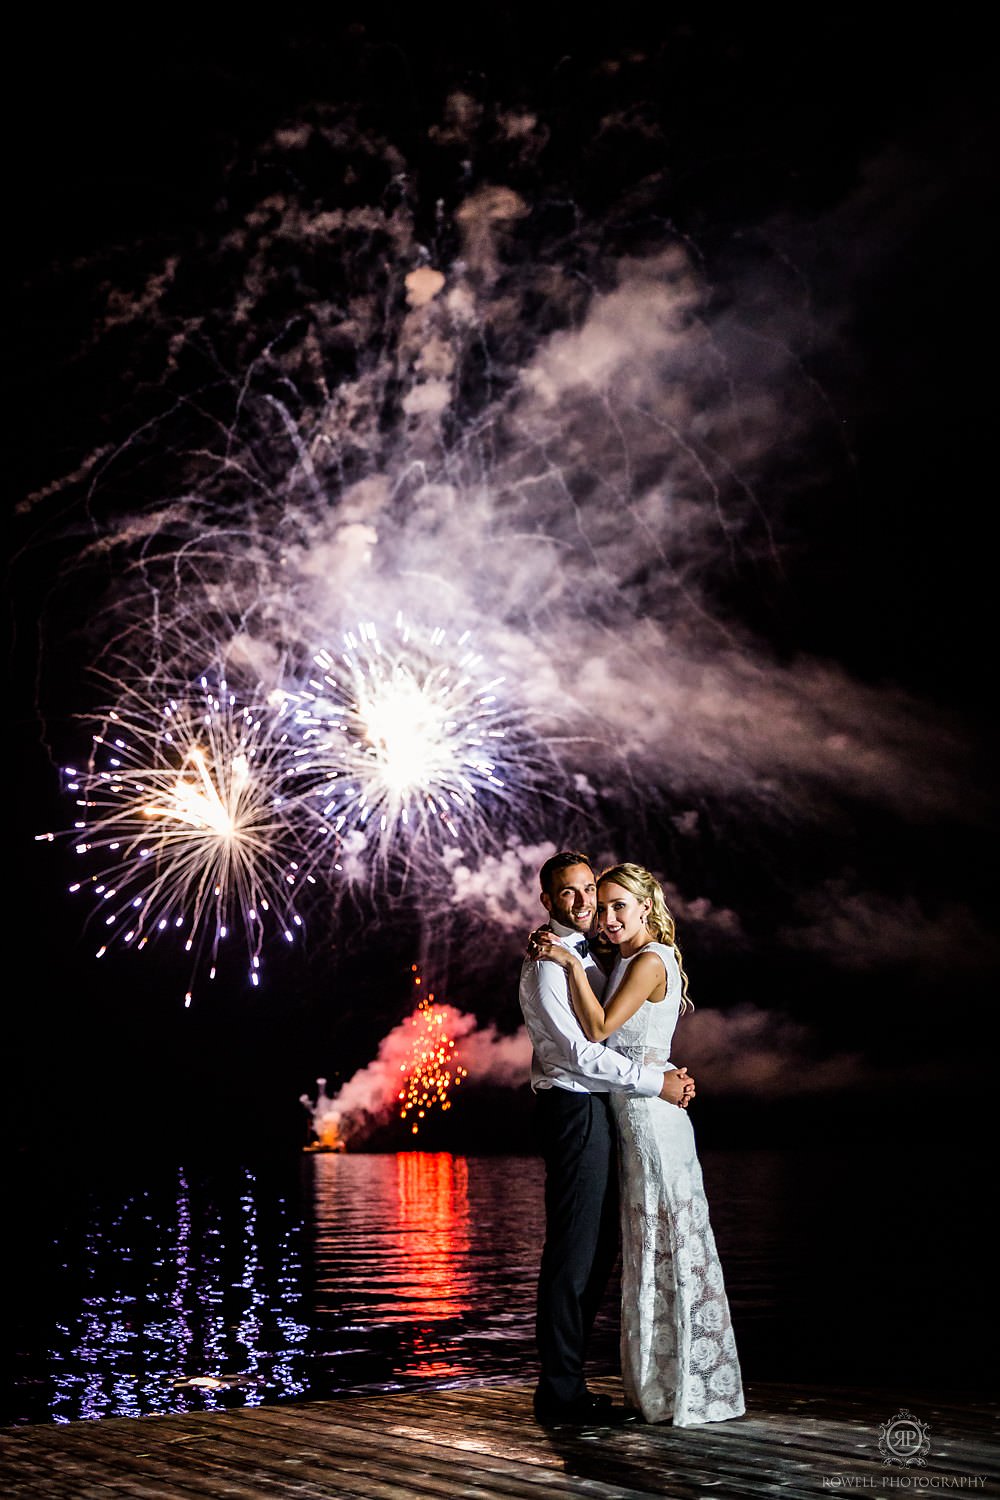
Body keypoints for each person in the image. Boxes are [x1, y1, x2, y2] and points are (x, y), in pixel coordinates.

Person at [537, 861, 745, 1426]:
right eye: (596, 904)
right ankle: (636, 1386)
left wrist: (568, 960)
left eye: (614, 905)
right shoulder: (603, 959)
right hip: (615, 1109)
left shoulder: (641, 959)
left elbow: (601, 1030)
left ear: (646, 906)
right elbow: (598, 1044)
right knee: (636, 1246)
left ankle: (684, 1386)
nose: (602, 914)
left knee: (664, 1241)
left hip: (647, 1120)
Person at [518, 850, 696, 1428]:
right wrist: (657, 1083)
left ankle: (572, 1384)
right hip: (573, 1107)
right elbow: (581, 1052)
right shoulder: (551, 962)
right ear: (548, 901)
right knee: (573, 1251)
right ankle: (560, 1392)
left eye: (589, 889)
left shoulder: (586, 956)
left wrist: (659, 1073)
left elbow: (617, 1030)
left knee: (596, 1251)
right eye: (567, 893)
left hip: (601, 1109)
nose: (584, 902)